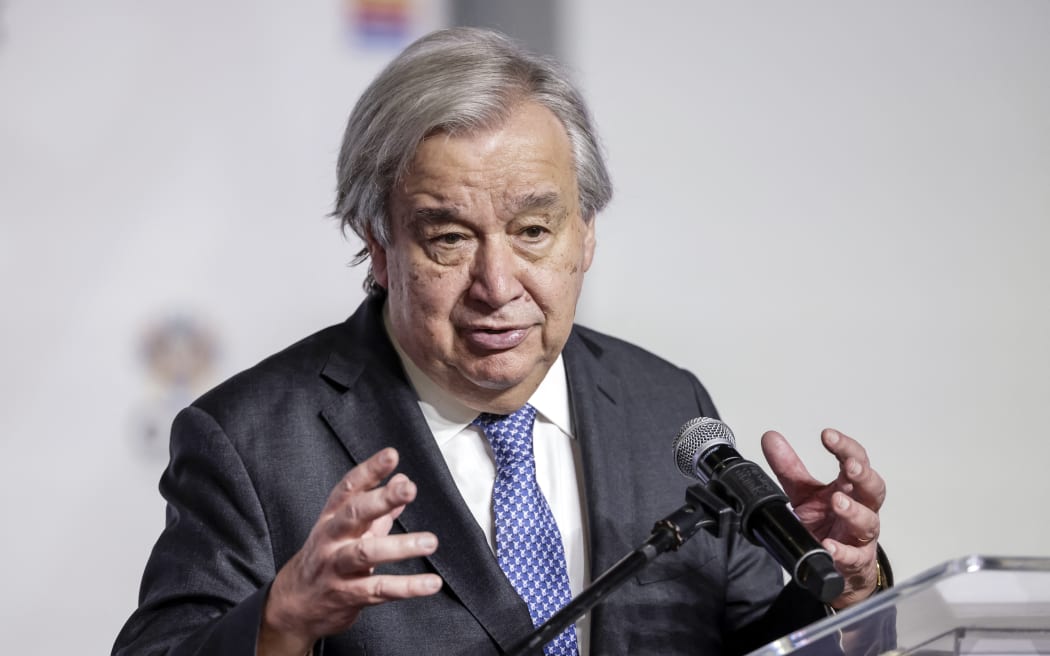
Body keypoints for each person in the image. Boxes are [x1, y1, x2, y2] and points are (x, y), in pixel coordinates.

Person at [114, 27, 888, 656]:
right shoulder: (252, 441)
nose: (498, 283)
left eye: (533, 231)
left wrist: (847, 594)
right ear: (378, 248)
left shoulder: (664, 407)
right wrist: (280, 621)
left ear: (586, 235)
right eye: (448, 238)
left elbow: (749, 639)